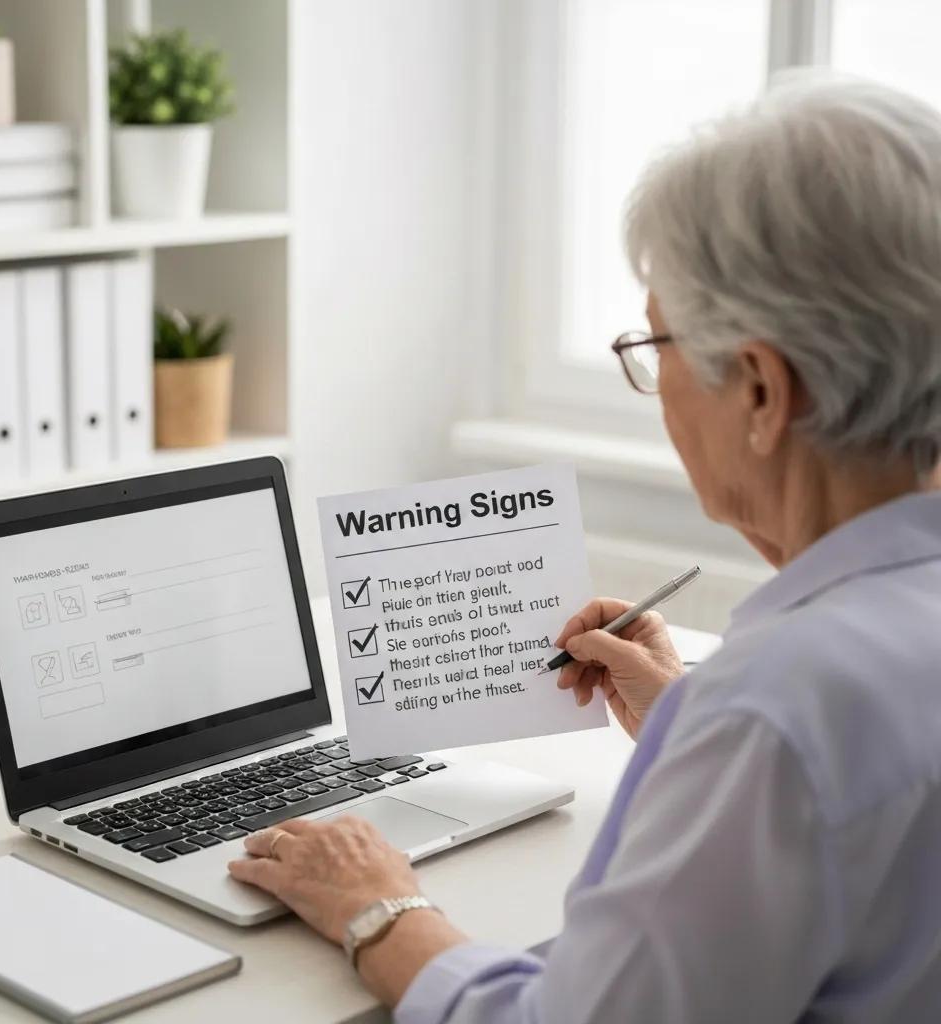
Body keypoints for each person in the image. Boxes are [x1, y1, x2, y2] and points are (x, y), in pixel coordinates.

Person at [227, 73, 941, 1021]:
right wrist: (695, 728)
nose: (654, 386)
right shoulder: (798, 697)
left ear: (762, 392)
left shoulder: (778, 708)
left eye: (656, 347)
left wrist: (375, 906)